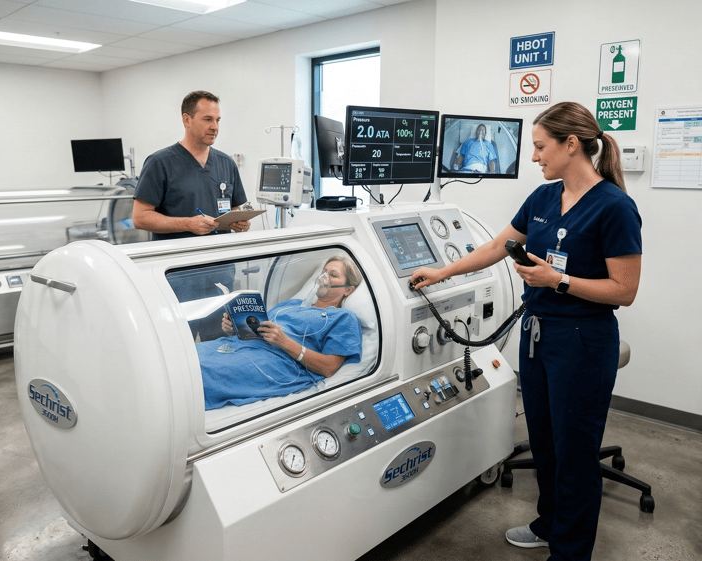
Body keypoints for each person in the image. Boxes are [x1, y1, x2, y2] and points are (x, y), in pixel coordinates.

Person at [412, 102, 642, 561]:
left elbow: (625, 289)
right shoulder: (542, 199)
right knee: (544, 442)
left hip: (582, 342)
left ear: (570, 144)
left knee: (575, 455)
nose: (534, 157)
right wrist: (444, 272)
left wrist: (558, 280)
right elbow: (500, 245)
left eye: (540, 147)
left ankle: (570, 551)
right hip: (538, 336)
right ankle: (548, 525)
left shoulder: (615, 207)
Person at [197, 256, 363, 410]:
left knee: (202, 372)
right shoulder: (293, 304)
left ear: (348, 290)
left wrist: (284, 342)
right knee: (187, 356)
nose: (324, 278)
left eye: (333, 275)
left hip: (275, 362)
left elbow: (329, 368)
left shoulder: (343, 317)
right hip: (239, 347)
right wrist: (234, 329)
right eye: (324, 272)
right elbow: (260, 330)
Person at [132, 90, 251, 239]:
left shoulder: (227, 163)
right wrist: (188, 224)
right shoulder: (160, 163)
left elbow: (234, 209)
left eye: (217, 120)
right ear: (187, 120)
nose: (215, 127)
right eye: (207, 119)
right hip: (180, 259)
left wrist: (239, 222)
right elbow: (140, 218)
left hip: (222, 257)